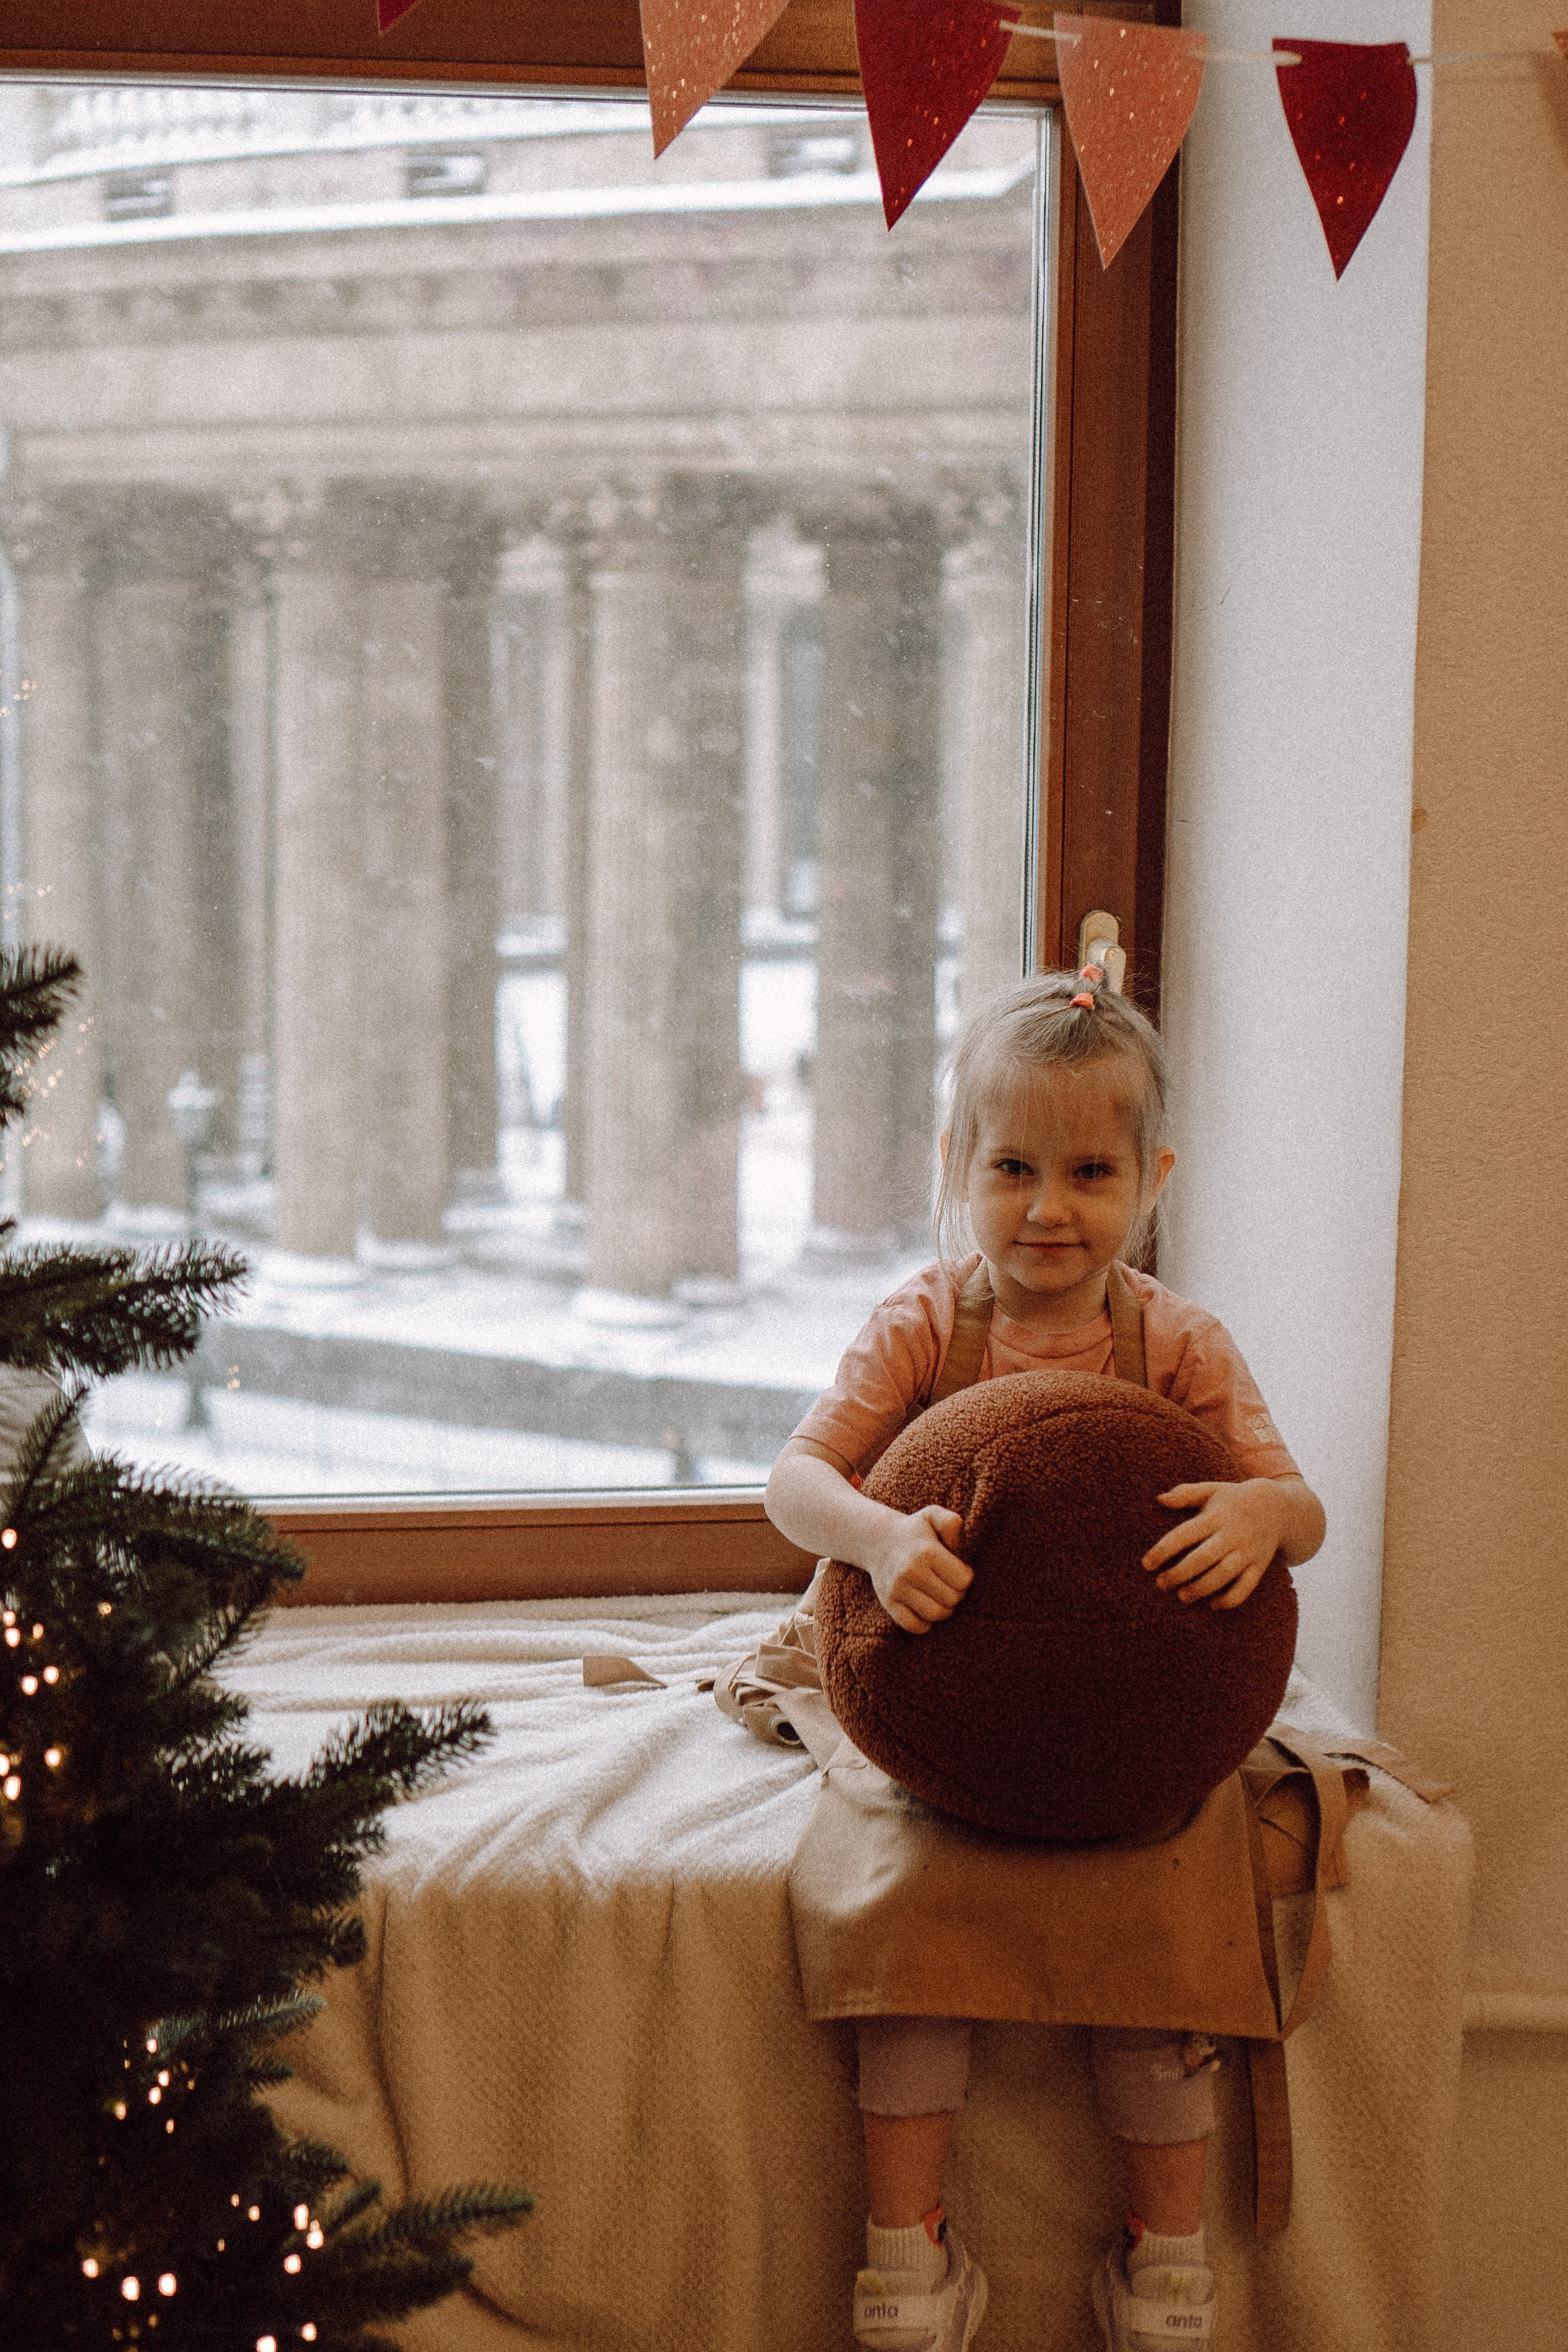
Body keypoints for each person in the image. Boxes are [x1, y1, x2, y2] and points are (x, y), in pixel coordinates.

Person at [764, 967, 1326, 2352]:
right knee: (908, 1928)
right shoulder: (921, 1322)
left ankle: (1165, 2264)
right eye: (1010, 1167)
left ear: (1152, 1178)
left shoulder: (1175, 1341)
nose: (1047, 1208)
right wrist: (881, 1539)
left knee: (1166, 1937)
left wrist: (1261, 1515)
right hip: (937, 1718)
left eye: (1089, 1171)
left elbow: (1297, 1512)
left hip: (1123, 1736)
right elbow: (792, 1485)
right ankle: (905, 2262)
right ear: (956, 1166)